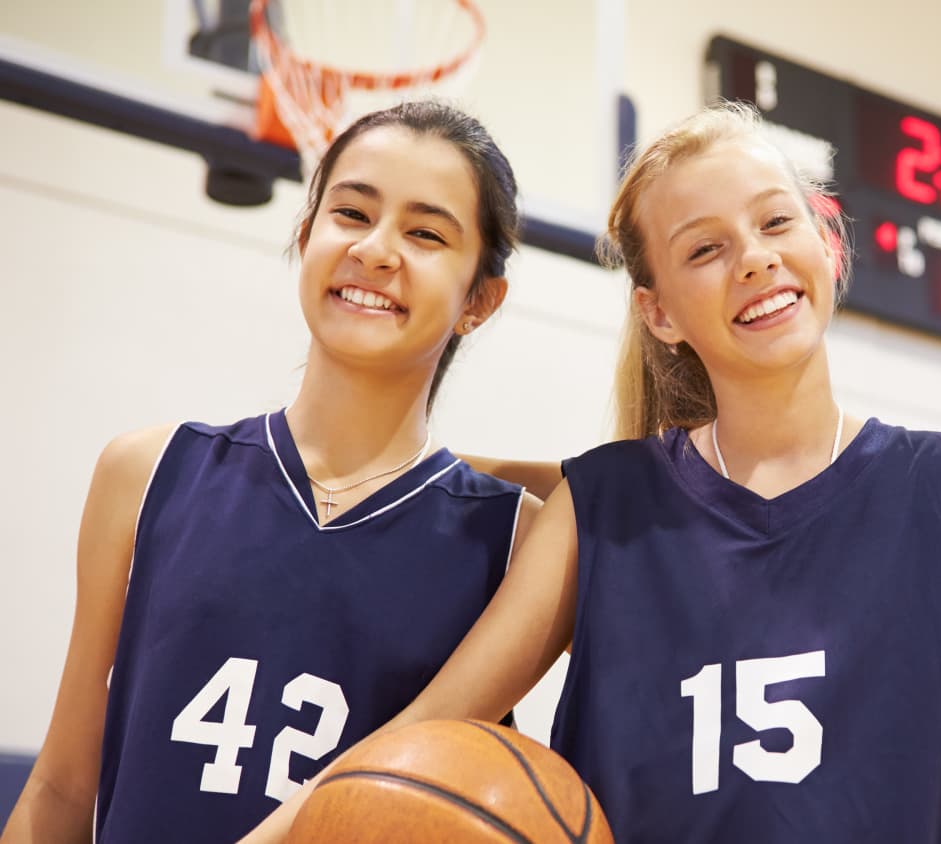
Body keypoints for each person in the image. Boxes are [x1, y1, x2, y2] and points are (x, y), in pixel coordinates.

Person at [245, 102, 941, 844]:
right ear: (659, 312)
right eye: (705, 248)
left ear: (827, 246)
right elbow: (424, 728)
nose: (754, 260)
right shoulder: (602, 506)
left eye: (773, 222)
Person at [1, 101, 547, 843]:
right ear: (305, 233)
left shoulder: (519, 543)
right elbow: (63, 785)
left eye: (425, 233)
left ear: (479, 301)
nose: (376, 250)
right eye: (351, 212)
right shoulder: (148, 472)